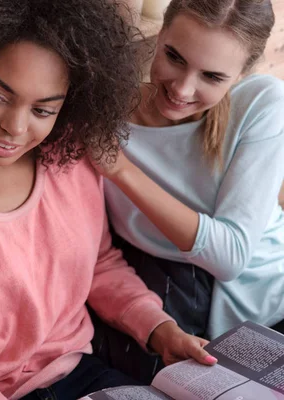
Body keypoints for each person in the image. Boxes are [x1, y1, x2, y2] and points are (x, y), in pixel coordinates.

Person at [0, 1, 217, 399]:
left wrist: (160, 330)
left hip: (87, 373)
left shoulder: (68, 156)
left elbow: (100, 266)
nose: (15, 128)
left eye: (43, 109)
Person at [91, 0, 284, 384]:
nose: (181, 88)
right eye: (174, 57)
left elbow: (231, 256)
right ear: (160, 35)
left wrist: (122, 171)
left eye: (212, 77)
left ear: (242, 74)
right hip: (176, 296)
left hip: (272, 289)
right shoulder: (102, 112)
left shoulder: (263, 101)